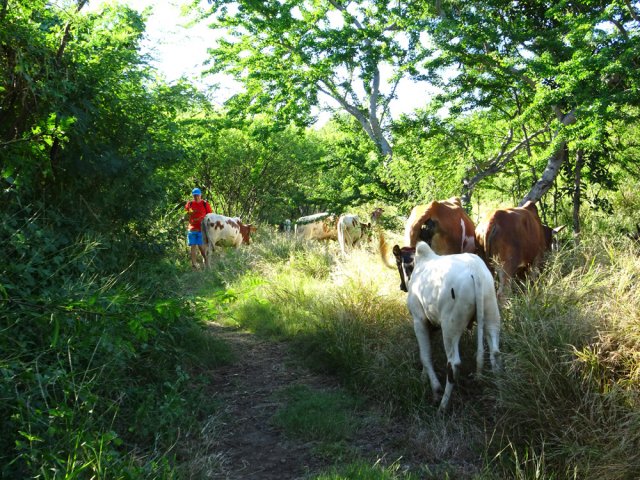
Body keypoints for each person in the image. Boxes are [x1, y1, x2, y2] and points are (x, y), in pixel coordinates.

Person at [184, 187, 213, 269]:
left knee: (201, 246)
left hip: (202, 229)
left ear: (200, 195)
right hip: (192, 229)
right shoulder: (189, 204)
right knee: (192, 246)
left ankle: (206, 260)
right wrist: (186, 217)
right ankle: (194, 264)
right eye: (194, 195)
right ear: (193, 196)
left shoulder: (205, 204)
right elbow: (186, 214)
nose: (196, 197)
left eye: (198, 195)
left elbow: (210, 215)